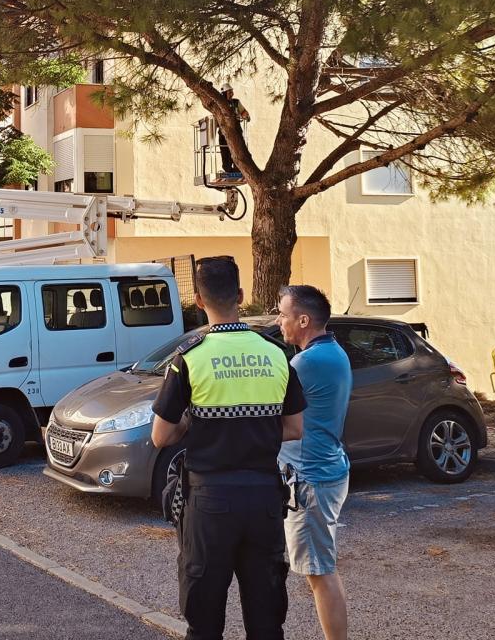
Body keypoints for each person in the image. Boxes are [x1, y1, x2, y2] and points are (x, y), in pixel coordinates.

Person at [152, 256, 305, 640]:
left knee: (203, 622)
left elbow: (161, 436)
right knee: (267, 620)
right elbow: (294, 428)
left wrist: (194, 422)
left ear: (200, 302)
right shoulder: (277, 354)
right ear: (240, 295)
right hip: (264, 499)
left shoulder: (188, 358)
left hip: (209, 501)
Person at [277, 285, 352, 640]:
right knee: (319, 570)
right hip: (325, 471)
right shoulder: (334, 352)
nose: (279, 322)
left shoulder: (305, 363)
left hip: (310, 479)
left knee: (321, 574)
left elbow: (272, 412)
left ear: (303, 320)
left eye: (283, 314)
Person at [217, 87, 250, 177]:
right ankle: (227, 169)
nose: (232, 94)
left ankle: (237, 169)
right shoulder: (219, 103)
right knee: (225, 151)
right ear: (224, 93)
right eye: (229, 92)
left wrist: (246, 116)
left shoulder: (236, 102)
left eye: (232, 92)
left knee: (238, 150)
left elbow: (243, 112)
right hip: (223, 132)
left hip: (236, 130)